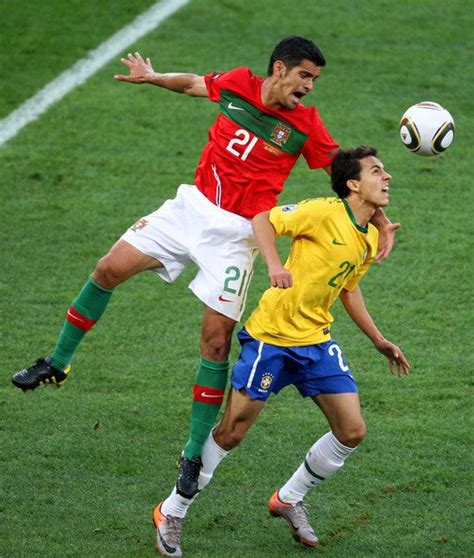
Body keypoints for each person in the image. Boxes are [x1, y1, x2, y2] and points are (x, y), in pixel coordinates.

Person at [11, 37, 398, 499]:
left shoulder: (306, 125)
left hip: (239, 236)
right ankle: (57, 363)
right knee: (107, 269)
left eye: (314, 79)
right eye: (304, 76)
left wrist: (378, 218)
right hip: (189, 208)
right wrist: (154, 78)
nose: (309, 87)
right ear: (280, 68)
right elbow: (196, 84)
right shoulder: (237, 83)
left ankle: (194, 452)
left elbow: (345, 174)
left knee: (215, 343)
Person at [152, 146, 410, 557]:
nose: (387, 177)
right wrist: (274, 265)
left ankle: (288, 500)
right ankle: (172, 510)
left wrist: (378, 339)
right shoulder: (323, 212)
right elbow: (263, 220)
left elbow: (348, 286)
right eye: (377, 171)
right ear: (353, 184)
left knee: (352, 431)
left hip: (316, 342)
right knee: (232, 431)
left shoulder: (373, 233)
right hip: (271, 338)